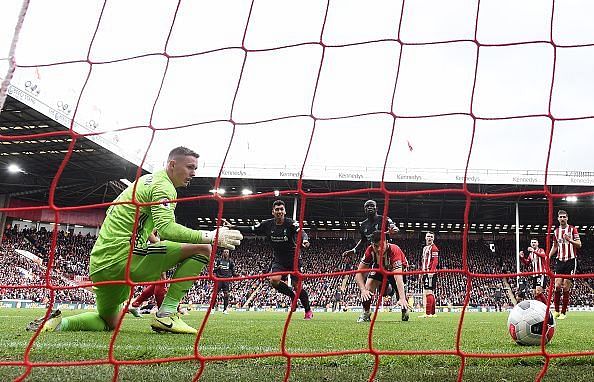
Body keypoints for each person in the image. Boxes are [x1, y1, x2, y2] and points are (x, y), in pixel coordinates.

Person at [26, 147, 243, 334]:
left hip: (101, 265)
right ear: (172, 164)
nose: (193, 173)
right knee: (203, 249)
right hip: (125, 259)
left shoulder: (143, 181)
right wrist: (213, 236)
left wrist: (149, 237)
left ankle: (57, 324)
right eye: (190, 167)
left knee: (109, 322)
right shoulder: (164, 187)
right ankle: (166, 314)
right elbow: (168, 229)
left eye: (195, 168)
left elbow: (121, 211)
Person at [224, 200, 313, 319]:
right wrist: (233, 227)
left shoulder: (290, 223)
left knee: (298, 287)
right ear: (273, 212)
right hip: (279, 259)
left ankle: (307, 310)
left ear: (285, 211)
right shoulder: (267, 224)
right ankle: (292, 296)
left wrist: (305, 240)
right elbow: (251, 229)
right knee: (274, 280)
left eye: (281, 209)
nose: (279, 211)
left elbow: (301, 232)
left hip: (294, 259)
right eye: (277, 209)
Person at [355, 231, 409, 322]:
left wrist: (402, 298)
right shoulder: (370, 251)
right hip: (379, 269)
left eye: (381, 245)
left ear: (387, 242)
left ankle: (404, 309)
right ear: (372, 244)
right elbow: (358, 273)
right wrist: (363, 290)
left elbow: (398, 276)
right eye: (376, 246)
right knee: (367, 289)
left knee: (400, 294)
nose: (379, 249)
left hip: (394, 270)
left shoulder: (394, 250)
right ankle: (366, 313)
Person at [548, 209, 581, 320]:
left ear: (567, 218)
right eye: (560, 217)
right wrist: (548, 256)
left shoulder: (573, 229)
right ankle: (556, 311)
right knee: (557, 286)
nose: (562, 218)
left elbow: (579, 244)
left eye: (564, 217)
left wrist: (569, 240)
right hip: (559, 261)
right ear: (558, 218)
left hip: (571, 260)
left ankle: (563, 312)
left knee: (566, 286)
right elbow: (555, 246)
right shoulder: (556, 231)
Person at [519, 238, 547, 304]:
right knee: (535, 293)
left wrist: (534, 251)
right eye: (532, 242)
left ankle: (547, 306)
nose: (533, 243)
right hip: (534, 275)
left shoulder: (541, 250)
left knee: (538, 291)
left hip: (541, 273)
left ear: (538, 243)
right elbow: (527, 263)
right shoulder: (530, 254)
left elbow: (543, 256)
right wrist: (522, 257)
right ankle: (539, 307)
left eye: (534, 242)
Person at [419, 231, 439, 318]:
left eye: (431, 236)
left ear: (433, 238)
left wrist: (431, 271)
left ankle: (427, 314)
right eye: (428, 236)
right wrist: (421, 272)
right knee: (430, 292)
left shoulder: (434, 248)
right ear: (425, 237)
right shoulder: (425, 248)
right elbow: (423, 261)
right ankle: (433, 313)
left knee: (428, 292)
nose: (429, 238)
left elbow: (435, 261)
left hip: (429, 272)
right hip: (425, 272)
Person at [214, 249, 235, 314]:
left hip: (226, 280)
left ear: (228, 253)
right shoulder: (219, 260)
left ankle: (225, 309)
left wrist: (237, 276)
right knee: (215, 294)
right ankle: (212, 308)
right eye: (225, 252)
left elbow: (233, 271)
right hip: (219, 279)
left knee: (226, 295)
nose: (226, 253)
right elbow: (213, 270)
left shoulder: (230, 261)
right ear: (223, 253)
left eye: (227, 252)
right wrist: (218, 268)